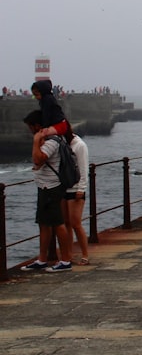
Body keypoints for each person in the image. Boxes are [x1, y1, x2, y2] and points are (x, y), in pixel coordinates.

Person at [20, 110, 74, 272]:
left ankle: (65, 261)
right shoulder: (48, 140)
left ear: (37, 126)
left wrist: (36, 141)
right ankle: (42, 259)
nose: (30, 131)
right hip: (44, 186)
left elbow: (38, 159)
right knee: (43, 223)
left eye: (31, 127)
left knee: (58, 224)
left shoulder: (52, 141)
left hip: (52, 187)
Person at [63, 124, 89, 265]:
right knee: (66, 223)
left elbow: (84, 167)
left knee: (75, 223)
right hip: (64, 187)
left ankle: (85, 254)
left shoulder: (79, 145)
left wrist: (82, 188)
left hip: (75, 189)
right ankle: (68, 254)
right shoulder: (62, 144)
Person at [31, 79, 70, 150]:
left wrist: (45, 127)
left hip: (59, 125)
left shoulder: (47, 100)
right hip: (56, 124)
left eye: (37, 95)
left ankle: (43, 151)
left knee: (40, 135)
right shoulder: (45, 99)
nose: (36, 97)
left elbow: (47, 114)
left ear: (42, 92)